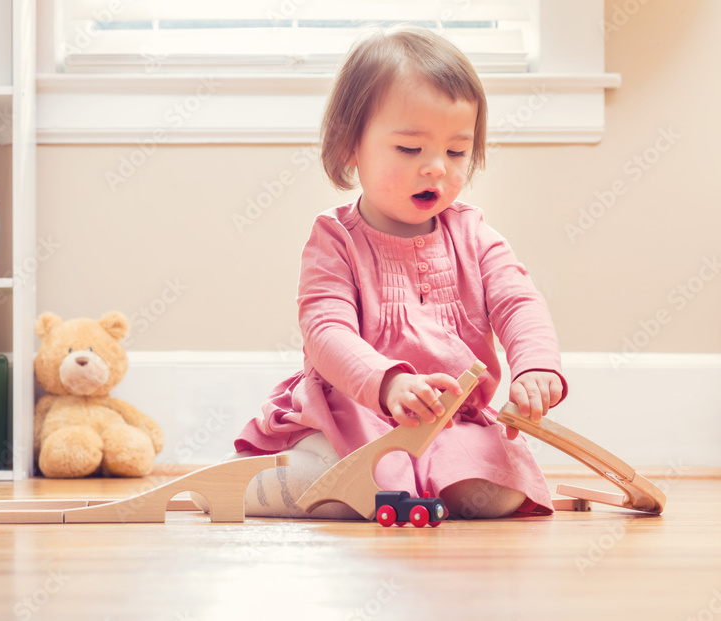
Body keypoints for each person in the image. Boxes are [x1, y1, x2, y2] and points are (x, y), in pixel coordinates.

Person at [217, 27, 568, 520]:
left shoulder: (474, 235)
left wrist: (535, 365)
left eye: (456, 151)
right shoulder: (336, 240)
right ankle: (278, 479)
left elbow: (518, 302)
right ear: (349, 146)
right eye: (409, 149)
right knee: (355, 483)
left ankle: (430, 483)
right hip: (357, 411)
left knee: (498, 492)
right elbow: (325, 330)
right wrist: (386, 385)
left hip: (451, 420)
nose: (436, 169)